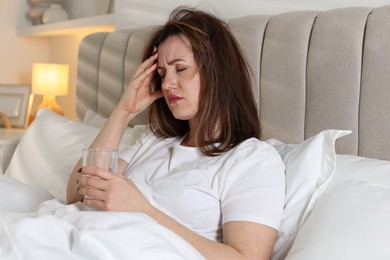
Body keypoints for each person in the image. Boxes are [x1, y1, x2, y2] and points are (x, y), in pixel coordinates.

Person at [67, 7, 285, 260]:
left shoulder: (251, 159)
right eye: (161, 73)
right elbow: (76, 194)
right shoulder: (153, 140)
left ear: (217, 72)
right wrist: (123, 111)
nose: (167, 83)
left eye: (180, 69)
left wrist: (143, 210)